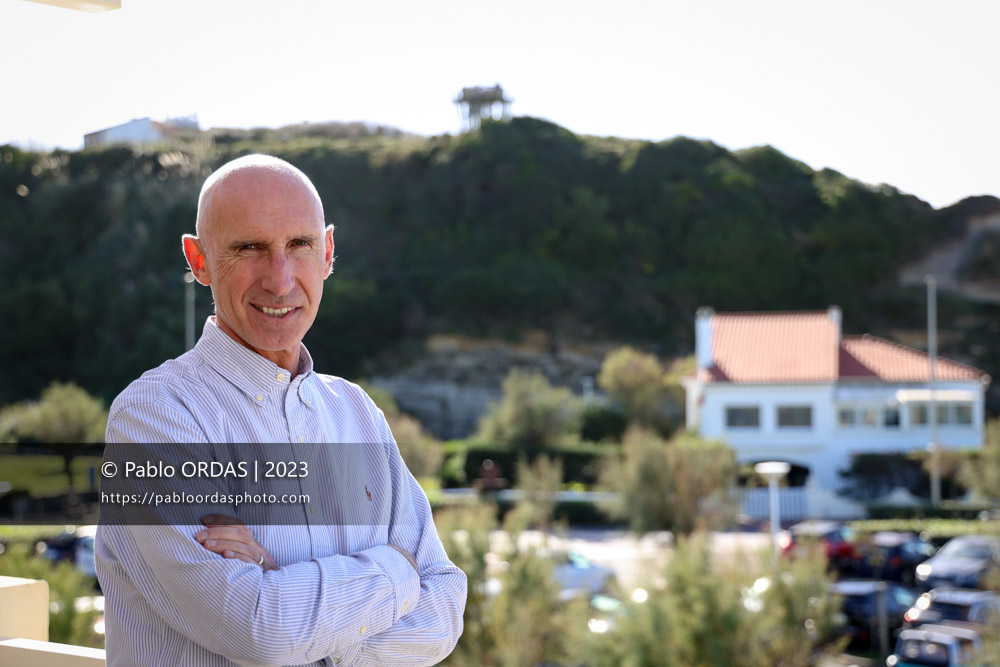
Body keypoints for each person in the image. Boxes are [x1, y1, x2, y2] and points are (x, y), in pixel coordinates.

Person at [95, 155, 467, 666]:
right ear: (199, 260)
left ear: (327, 253)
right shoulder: (154, 418)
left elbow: (444, 608)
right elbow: (260, 631)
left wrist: (281, 587)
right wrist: (398, 572)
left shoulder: (357, 413)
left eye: (300, 245)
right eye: (249, 248)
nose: (280, 278)